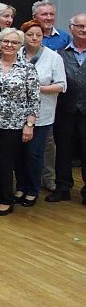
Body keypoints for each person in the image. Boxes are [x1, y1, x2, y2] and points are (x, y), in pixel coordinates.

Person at [0, 28, 40, 216]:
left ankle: (6, 199)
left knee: (3, 161)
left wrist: (29, 125)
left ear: (20, 46)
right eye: (5, 41)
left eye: (14, 42)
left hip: (12, 124)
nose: (9, 45)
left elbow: (34, 100)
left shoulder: (27, 68)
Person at [13, 20, 65, 206]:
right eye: (30, 34)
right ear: (23, 36)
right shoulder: (16, 54)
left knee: (33, 153)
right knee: (18, 153)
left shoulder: (53, 57)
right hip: (16, 114)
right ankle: (20, 187)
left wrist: (37, 88)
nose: (34, 38)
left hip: (42, 115)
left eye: (39, 35)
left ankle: (32, 189)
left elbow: (61, 85)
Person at [49, 13, 86, 204]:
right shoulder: (59, 54)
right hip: (65, 109)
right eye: (79, 26)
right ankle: (62, 187)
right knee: (63, 150)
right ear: (71, 28)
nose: (83, 30)